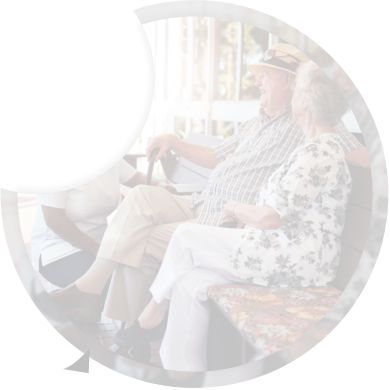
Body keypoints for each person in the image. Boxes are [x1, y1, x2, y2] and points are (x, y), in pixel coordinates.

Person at [49, 43, 369, 327]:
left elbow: (355, 153)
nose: (257, 81)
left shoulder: (309, 118)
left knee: (139, 239)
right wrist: (174, 141)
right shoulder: (253, 123)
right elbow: (215, 155)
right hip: (201, 201)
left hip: (226, 221)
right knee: (142, 196)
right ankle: (102, 301)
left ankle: (125, 321)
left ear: (290, 82)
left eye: (265, 75)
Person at [112, 60, 353, 371]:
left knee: (185, 237)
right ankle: (182, 370)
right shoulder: (309, 147)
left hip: (300, 257)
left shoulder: (320, 151)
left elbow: (271, 218)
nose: (293, 98)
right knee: (189, 280)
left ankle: (150, 317)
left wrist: (233, 208)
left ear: (305, 100)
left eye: (296, 92)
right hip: (281, 248)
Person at [32, 158, 176, 323]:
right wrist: (96, 249)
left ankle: (80, 310)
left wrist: (161, 182)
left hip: (100, 246)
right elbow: (54, 220)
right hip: (58, 247)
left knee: (132, 281)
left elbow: (137, 178)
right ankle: (64, 305)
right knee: (116, 289)